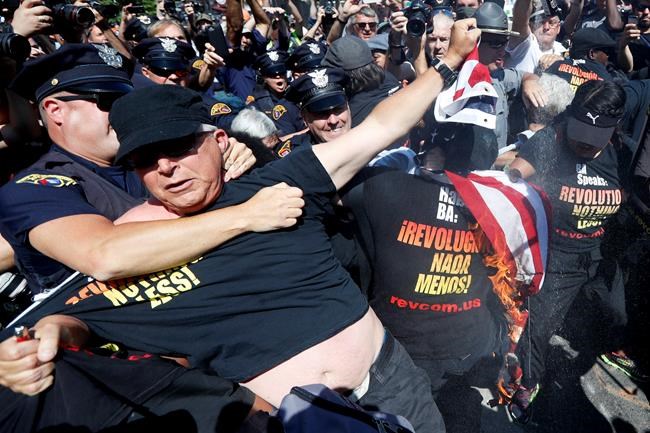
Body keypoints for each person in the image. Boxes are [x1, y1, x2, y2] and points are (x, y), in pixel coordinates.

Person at [2, 19, 481, 432]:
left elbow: (380, 128)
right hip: (289, 422)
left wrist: (446, 64)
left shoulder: (279, 180)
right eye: (147, 158)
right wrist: (53, 332)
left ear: (216, 141)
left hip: (394, 385)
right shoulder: (131, 236)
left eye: (179, 146)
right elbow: (82, 307)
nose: (166, 166)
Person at [506, 79, 628, 422]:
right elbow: (516, 172)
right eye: (578, 132)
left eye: (593, 140)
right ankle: (525, 385)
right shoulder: (553, 139)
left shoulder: (624, 153)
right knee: (538, 328)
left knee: (617, 315)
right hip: (557, 254)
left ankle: (594, 349)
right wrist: (510, 178)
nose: (582, 144)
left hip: (601, 253)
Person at [250, 50, 305, 136]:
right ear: (264, 77)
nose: (278, 76)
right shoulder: (258, 105)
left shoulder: (300, 91)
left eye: (281, 72)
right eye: (271, 74)